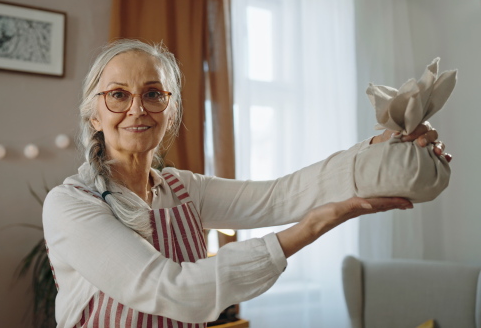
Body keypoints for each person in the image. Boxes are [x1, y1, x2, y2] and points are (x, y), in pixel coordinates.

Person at [42, 39, 451, 328]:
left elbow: (280, 195)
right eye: (118, 95)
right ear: (94, 115)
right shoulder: (71, 204)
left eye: (153, 94)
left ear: (170, 110)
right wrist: (310, 228)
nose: (137, 109)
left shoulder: (182, 189)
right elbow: (171, 290)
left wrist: (383, 147)